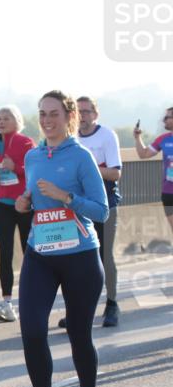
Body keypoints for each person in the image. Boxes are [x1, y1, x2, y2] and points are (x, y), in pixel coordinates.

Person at [14, 90, 108, 387]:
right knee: (32, 331)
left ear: (68, 116)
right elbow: (30, 199)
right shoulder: (33, 156)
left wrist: (65, 196)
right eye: (41, 113)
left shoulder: (81, 157)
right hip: (41, 254)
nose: (47, 120)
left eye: (53, 113)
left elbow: (101, 211)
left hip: (80, 256)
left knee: (79, 334)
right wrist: (24, 203)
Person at [57, 97, 122, 328]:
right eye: (79, 111)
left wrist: (88, 168)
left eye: (87, 111)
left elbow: (115, 173)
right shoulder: (70, 140)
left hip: (104, 204)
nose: (83, 115)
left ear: (95, 114)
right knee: (73, 259)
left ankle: (112, 304)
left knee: (104, 256)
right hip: (76, 206)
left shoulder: (106, 136)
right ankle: (76, 310)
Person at [0, 105, 36, 322]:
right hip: (3, 204)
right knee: (4, 253)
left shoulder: (26, 142)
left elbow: (33, 172)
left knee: (29, 251)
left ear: (17, 120)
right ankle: (7, 303)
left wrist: (15, 167)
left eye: (6, 118)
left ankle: (32, 297)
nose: (1, 121)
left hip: (23, 203)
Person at [132, 106, 173, 235]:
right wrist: (138, 137)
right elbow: (143, 154)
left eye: (167, 117)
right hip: (169, 192)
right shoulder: (163, 139)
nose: (163, 120)